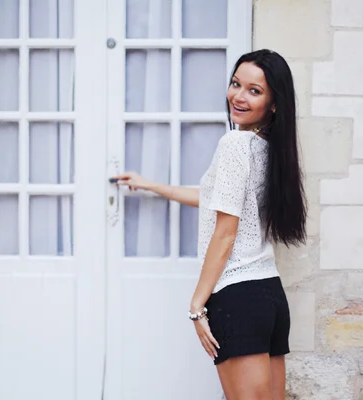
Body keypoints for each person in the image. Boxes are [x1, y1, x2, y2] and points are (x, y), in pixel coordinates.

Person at [112, 49, 307, 400]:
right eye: (236, 84)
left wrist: (197, 306)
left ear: (274, 103)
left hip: (238, 296)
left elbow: (225, 232)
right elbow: (215, 197)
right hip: (270, 298)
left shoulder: (235, 143)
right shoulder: (270, 150)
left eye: (254, 90)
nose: (238, 96)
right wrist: (150, 184)